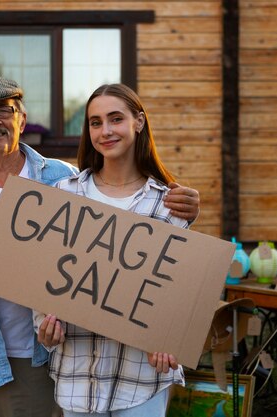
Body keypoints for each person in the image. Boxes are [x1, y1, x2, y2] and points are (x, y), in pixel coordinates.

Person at [0, 75, 200, 417]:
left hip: (38, 358)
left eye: (3, 111)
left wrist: (185, 212)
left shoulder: (63, 182)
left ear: (21, 121)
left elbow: (125, 233)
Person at [34, 84, 189, 417]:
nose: (105, 131)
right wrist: (44, 326)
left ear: (139, 122)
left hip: (141, 378)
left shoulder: (168, 204)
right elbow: (45, 278)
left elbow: (177, 290)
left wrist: (170, 338)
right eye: (95, 122)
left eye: (115, 119)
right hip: (76, 376)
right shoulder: (64, 195)